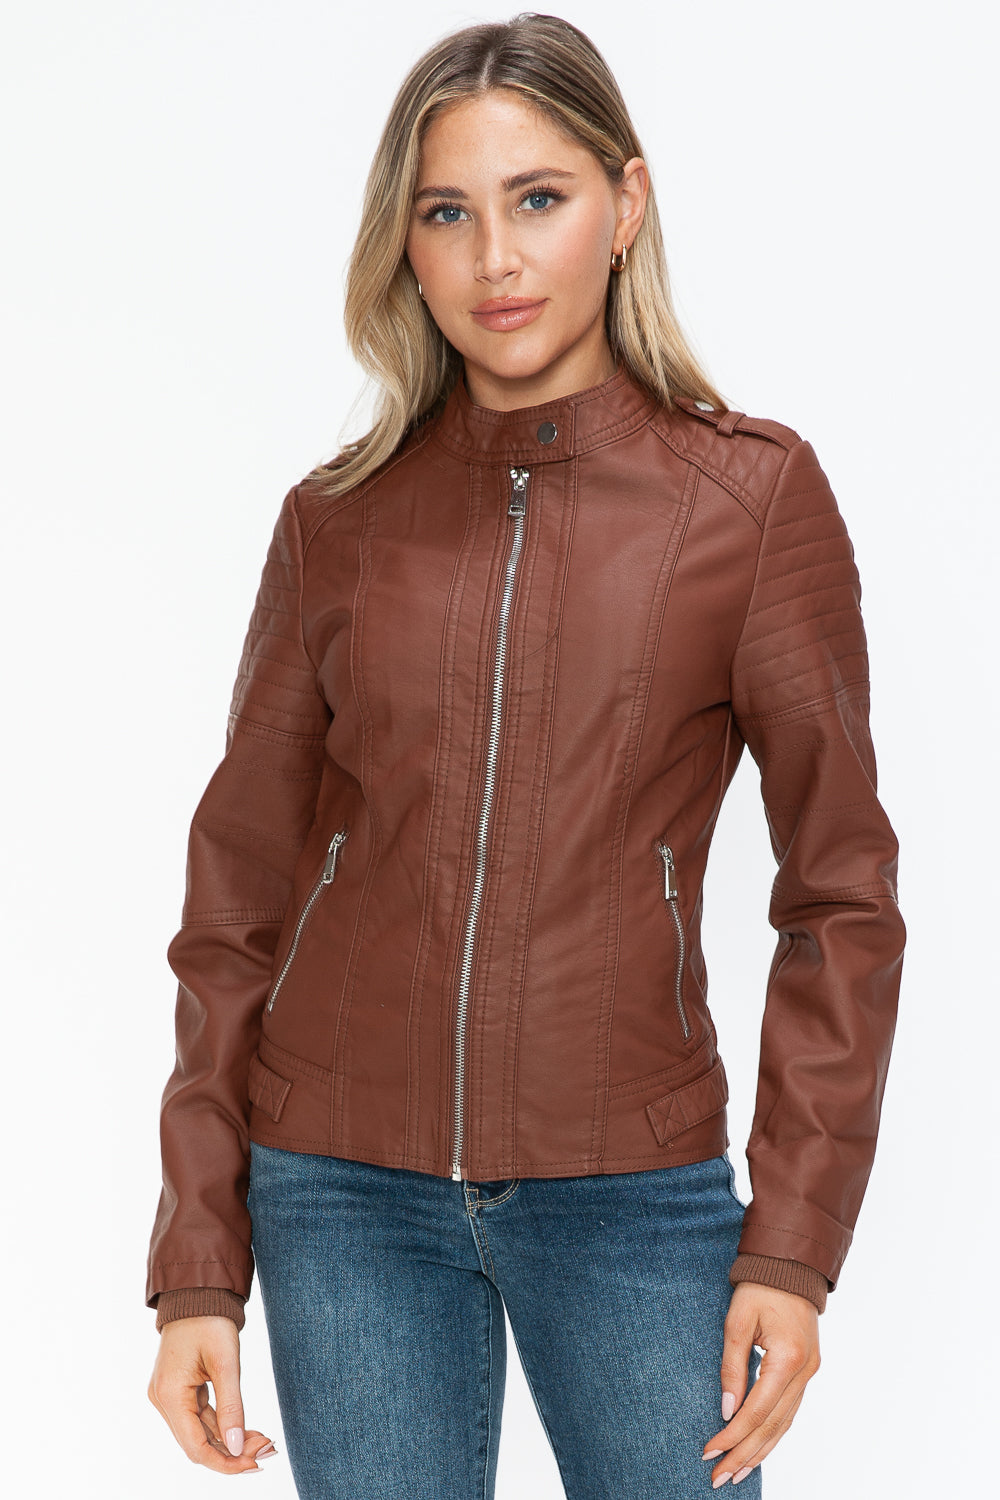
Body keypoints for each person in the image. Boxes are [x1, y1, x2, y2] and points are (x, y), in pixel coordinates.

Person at [145, 12, 905, 1497]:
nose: (495, 258)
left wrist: (795, 1246)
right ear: (406, 246)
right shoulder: (336, 521)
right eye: (448, 212)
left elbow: (843, 896)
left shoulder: (747, 504)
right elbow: (234, 901)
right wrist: (196, 1263)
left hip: (632, 1193)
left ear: (625, 205)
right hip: (342, 1194)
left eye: (537, 199)